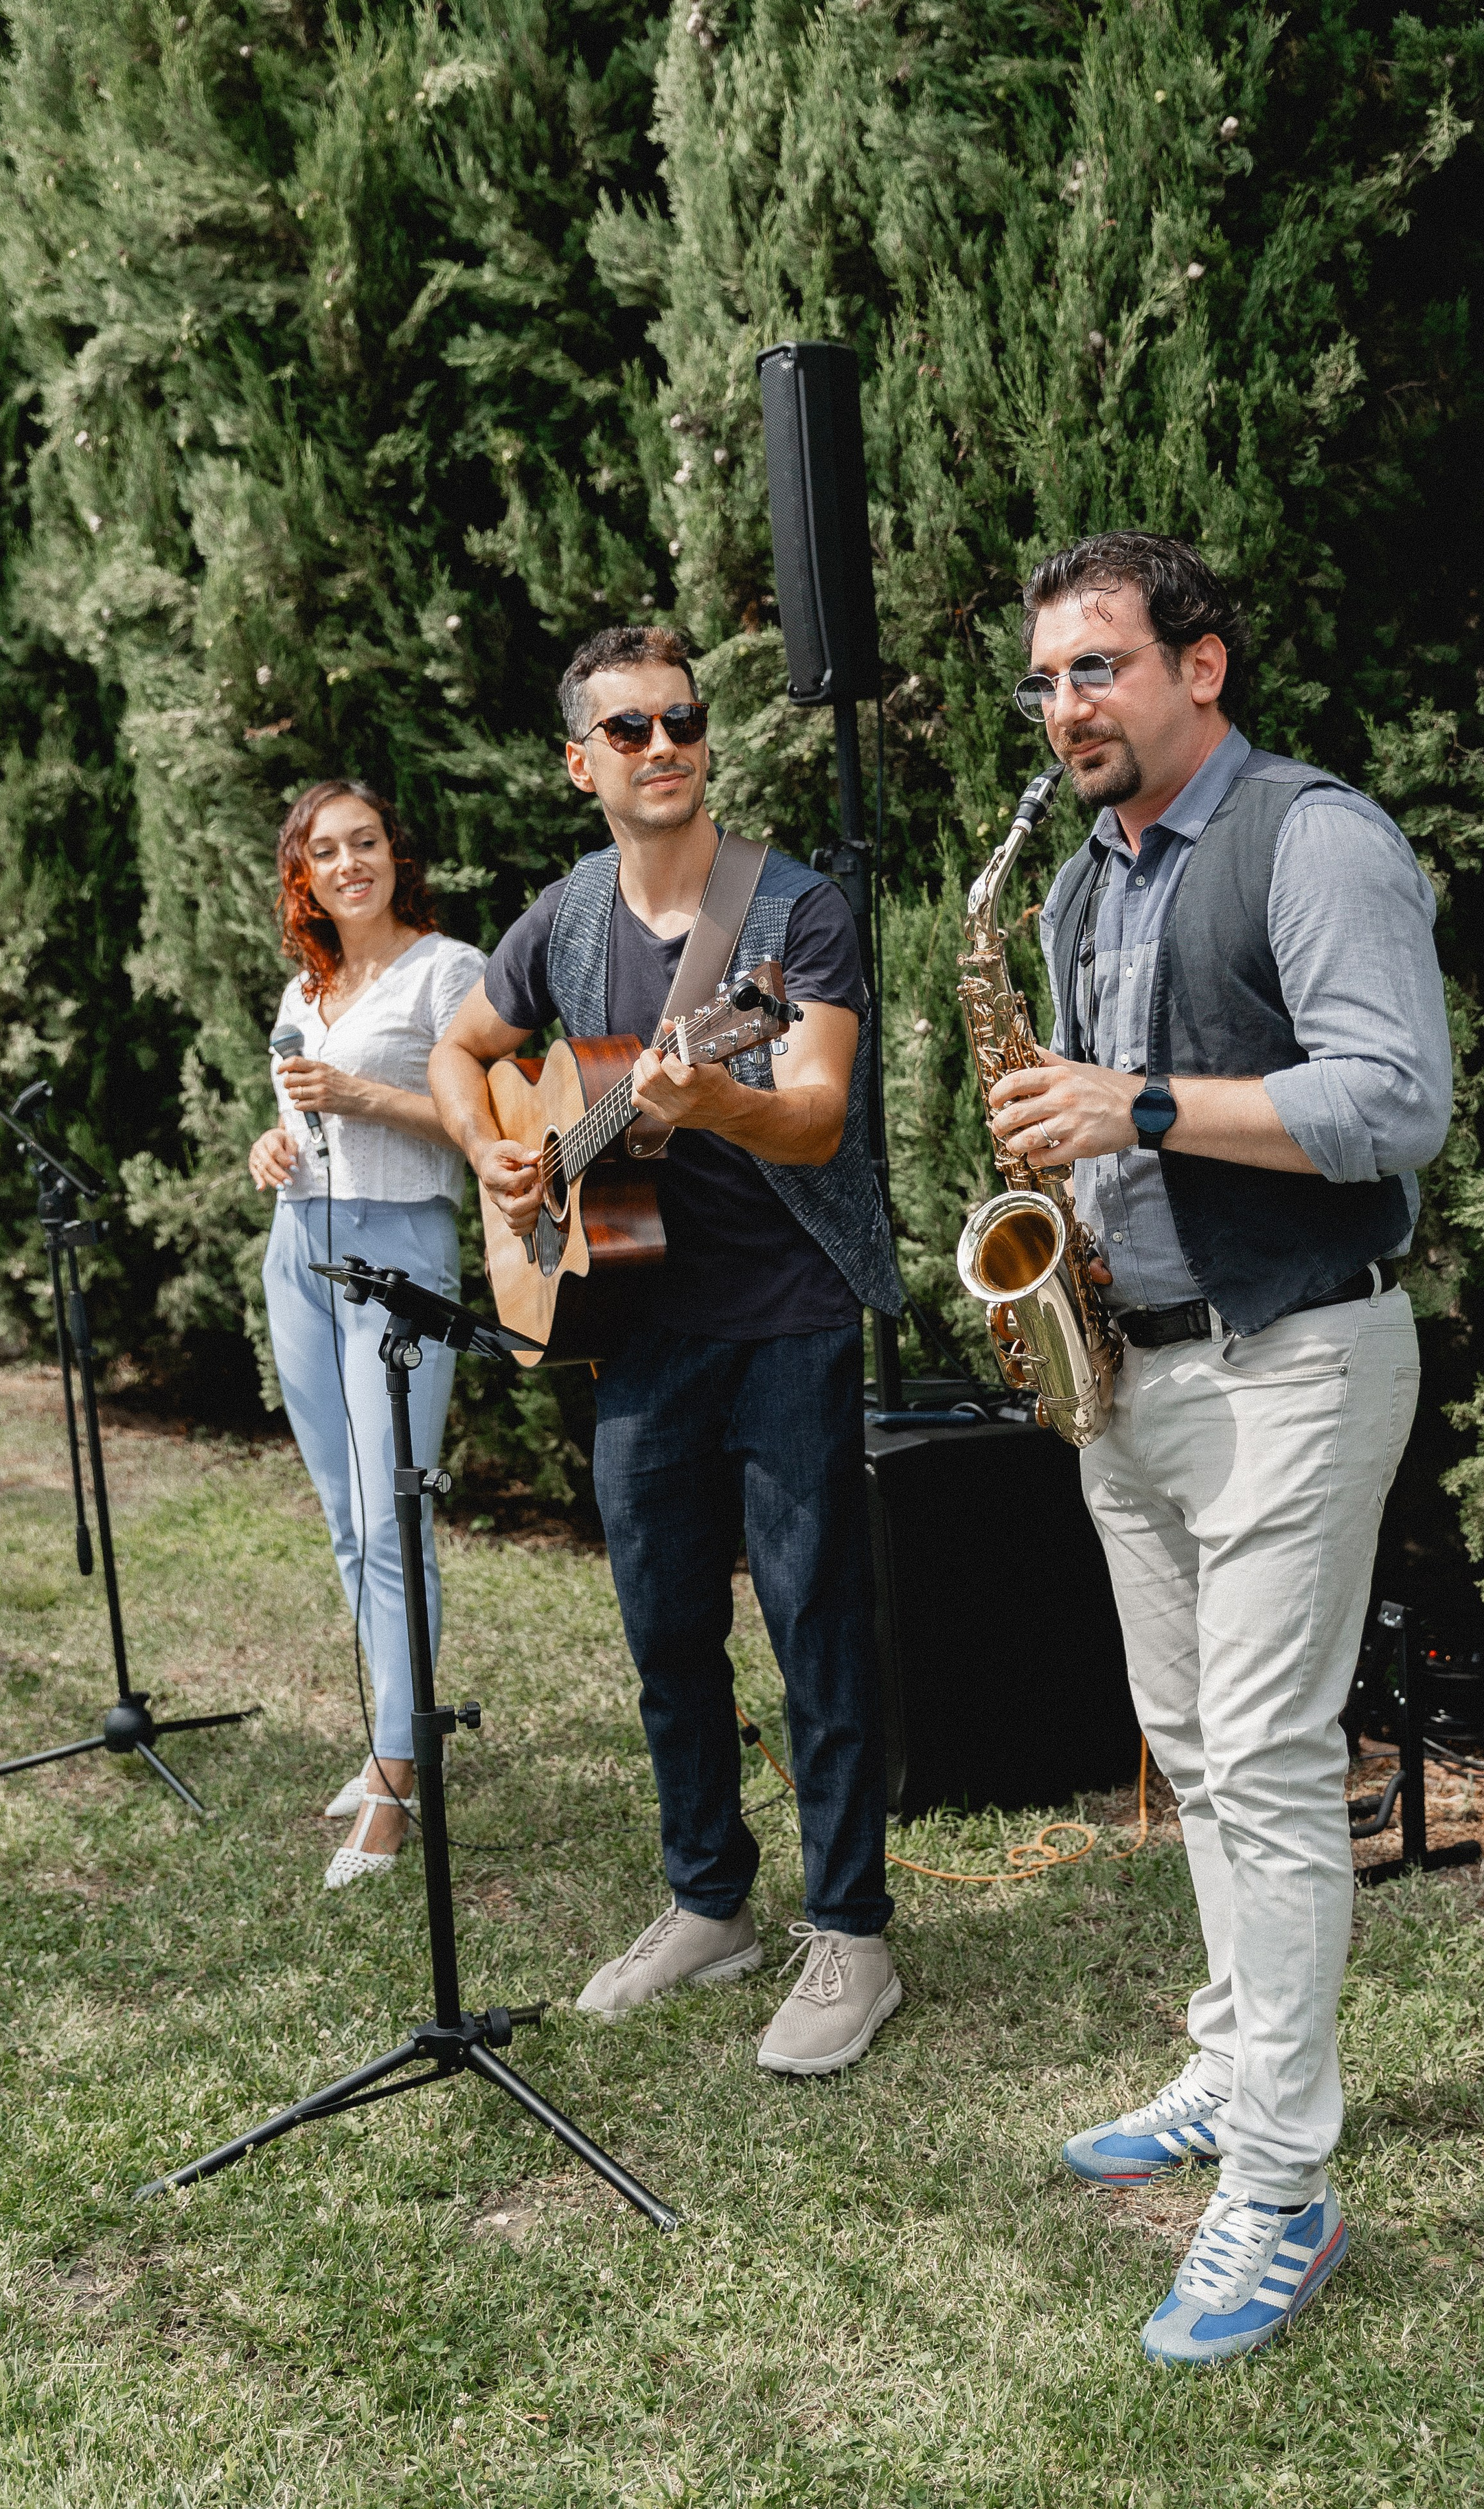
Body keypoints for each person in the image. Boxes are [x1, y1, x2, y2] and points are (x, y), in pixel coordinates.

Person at [988, 532, 1452, 2366]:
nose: (1065, 708)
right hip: (1138, 1371)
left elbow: (1395, 1101)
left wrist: (1141, 1106)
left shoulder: (1314, 837)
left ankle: (1279, 2183)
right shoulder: (1084, 882)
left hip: (1294, 1365)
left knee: (1260, 1765)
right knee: (1191, 1751)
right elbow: (1099, 1116)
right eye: (1046, 680)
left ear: (1204, 669)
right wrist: (1070, 1192)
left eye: (1097, 668)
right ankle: (1232, 2060)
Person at [428, 622, 905, 2076]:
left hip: (790, 1312)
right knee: (662, 1631)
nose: (662, 747)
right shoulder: (564, 917)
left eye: (680, 721)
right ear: (581, 762)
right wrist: (502, 1160)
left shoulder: (794, 914)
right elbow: (461, 1052)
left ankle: (851, 1935)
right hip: (633, 1324)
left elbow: (814, 1107)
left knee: (815, 1623)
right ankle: (709, 1900)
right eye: (627, 730)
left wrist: (717, 1104)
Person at [249, 779, 484, 1890]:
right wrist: (273, 1145)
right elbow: (299, 1113)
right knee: (348, 1520)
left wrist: (359, 1096)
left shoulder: (451, 972)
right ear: (304, 874)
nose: (350, 863)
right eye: (326, 851)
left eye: (367, 843)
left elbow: (483, 1122)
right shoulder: (308, 983)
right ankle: (395, 1731)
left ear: (396, 855)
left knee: (394, 1519)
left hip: (400, 1255)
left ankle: (401, 1772)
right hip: (299, 1248)